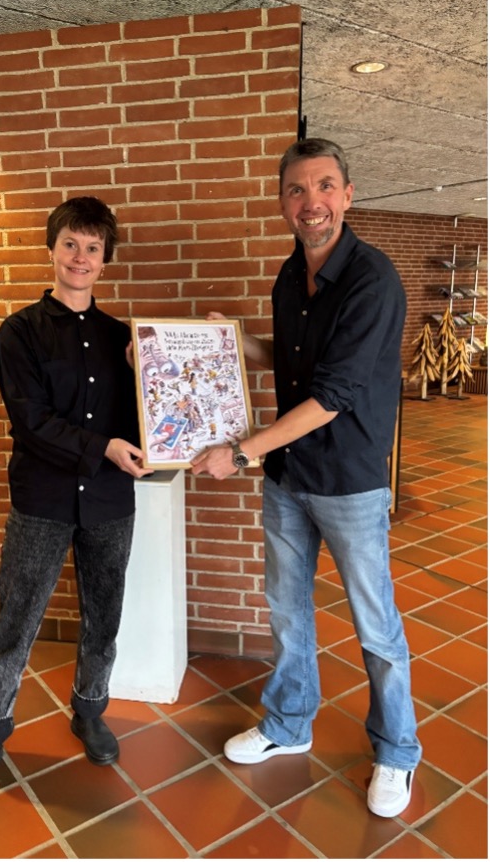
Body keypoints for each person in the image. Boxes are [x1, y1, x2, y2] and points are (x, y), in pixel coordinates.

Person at [191, 138, 421, 818]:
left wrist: (240, 453)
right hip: (289, 475)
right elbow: (290, 359)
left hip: (349, 482)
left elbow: (331, 394)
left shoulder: (373, 280)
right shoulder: (289, 276)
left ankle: (397, 751)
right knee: (287, 611)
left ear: (346, 195)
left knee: (375, 625)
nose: (310, 201)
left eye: (323, 186)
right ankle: (289, 724)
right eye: (296, 189)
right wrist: (232, 342)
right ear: (282, 203)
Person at [0, 196, 152, 801]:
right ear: (52, 249)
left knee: (104, 614)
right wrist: (104, 447)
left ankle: (90, 710)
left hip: (109, 503)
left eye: (93, 248)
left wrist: (151, 383)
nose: (81, 257)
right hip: (43, 501)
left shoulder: (125, 340)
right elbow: (31, 423)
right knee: (16, 619)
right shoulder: (19, 332)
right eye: (70, 244)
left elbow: (147, 422)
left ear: (105, 260)